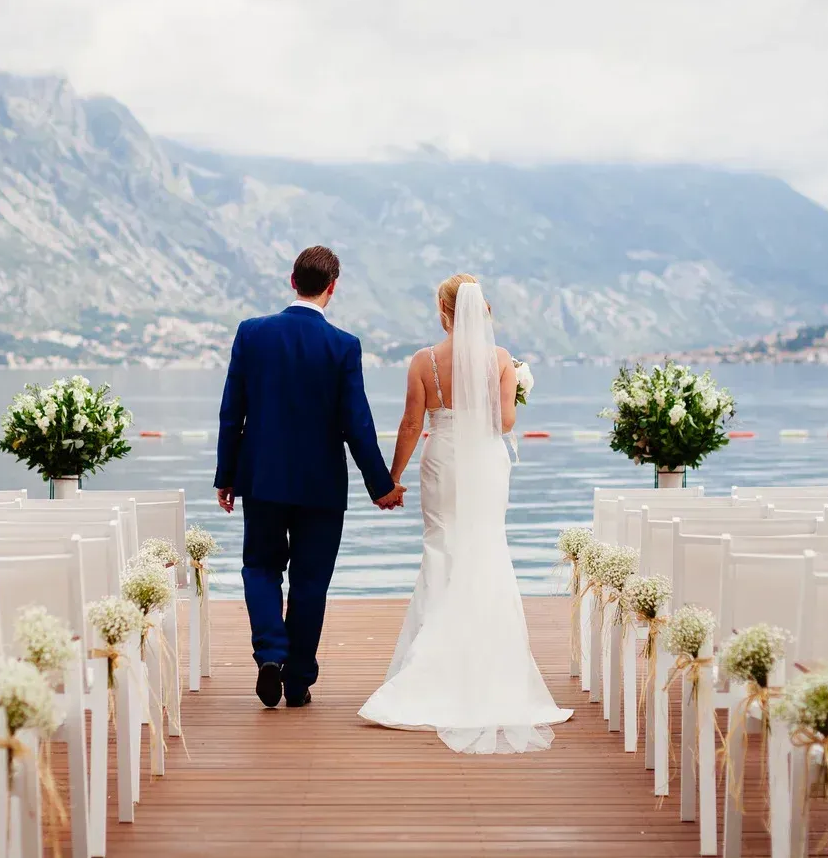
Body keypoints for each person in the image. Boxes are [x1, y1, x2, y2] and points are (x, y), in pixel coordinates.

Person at [358, 276, 571, 753]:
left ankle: (428, 667)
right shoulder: (500, 361)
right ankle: (488, 667)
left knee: (441, 550)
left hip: (443, 460)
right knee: (487, 550)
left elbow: (412, 423)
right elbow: (507, 422)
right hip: (485, 463)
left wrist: (391, 479)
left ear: (443, 309)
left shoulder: (423, 361)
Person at [214, 245, 406, 709]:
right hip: (321, 485)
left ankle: (271, 657)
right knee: (310, 581)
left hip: (260, 478)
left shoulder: (251, 333)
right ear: (332, 288)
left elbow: (231, 412)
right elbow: (356, 423)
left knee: (260, 567)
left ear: (291, 280)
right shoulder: (343, 345)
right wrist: (381, 486)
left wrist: (227, 475)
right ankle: (297, 680)